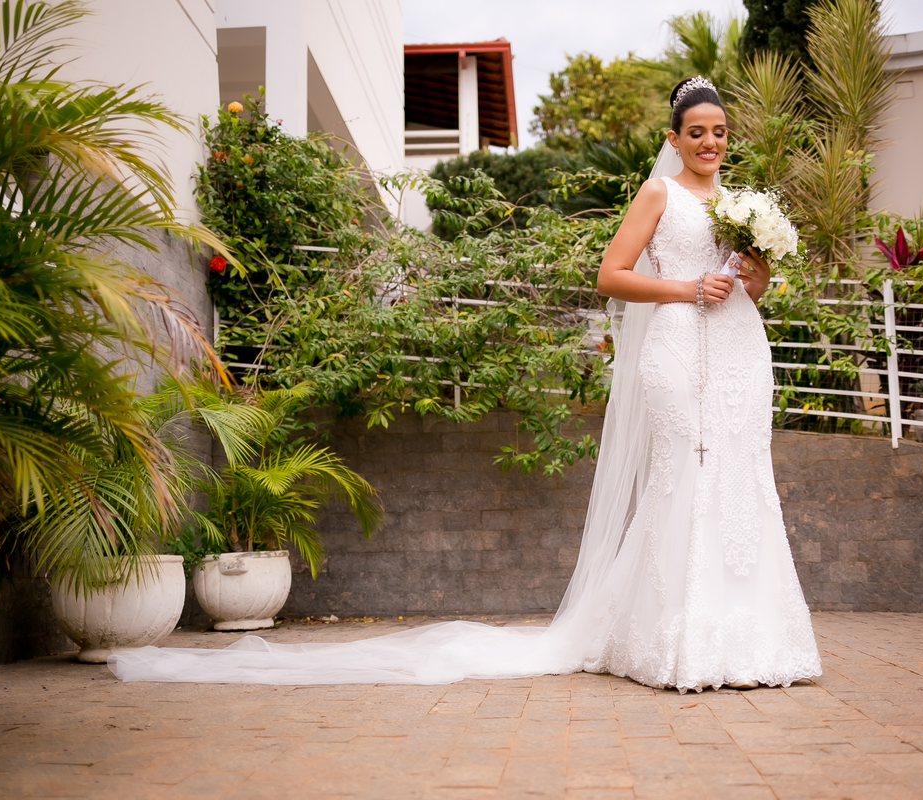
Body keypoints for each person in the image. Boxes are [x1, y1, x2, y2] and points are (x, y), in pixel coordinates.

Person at [109, 77, 821, 693]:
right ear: (674, 137)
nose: (709, 142)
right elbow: (611, 276)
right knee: (684, 472)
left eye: (719, 132)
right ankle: (679, 641)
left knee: (739, 477)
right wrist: (685, 288)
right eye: (697, 132)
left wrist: (754, 274)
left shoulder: (741, 204)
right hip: (675, 348)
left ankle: (746, 640)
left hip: (736, 353)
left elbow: (751, 289)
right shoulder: (657, 192)